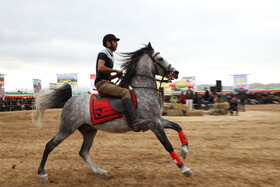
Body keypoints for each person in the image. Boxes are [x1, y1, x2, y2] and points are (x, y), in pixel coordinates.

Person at [94, 34, 151, 132]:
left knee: (127, 91)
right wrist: (116, 70)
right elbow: (100, 67)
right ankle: (135, 121)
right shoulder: (103, 53)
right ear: (108, 43)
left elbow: (106, 76)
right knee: (124, 92)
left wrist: (116, 75)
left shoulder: (110, 55)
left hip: (106, 82)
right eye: (115, 42)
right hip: (101, 84)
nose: (117, 44)